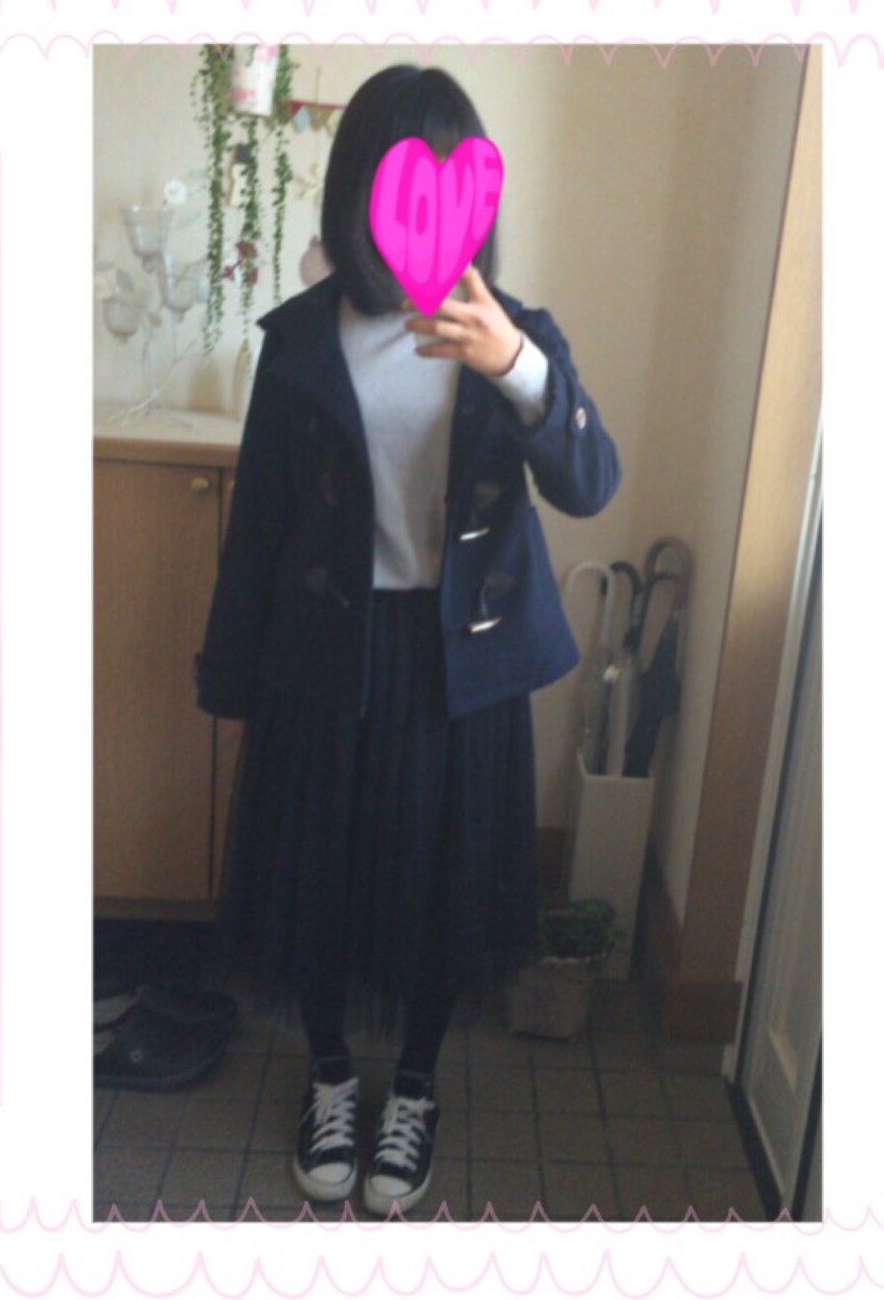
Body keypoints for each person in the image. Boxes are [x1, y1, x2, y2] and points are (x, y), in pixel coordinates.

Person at [195, 64, 621, 1218]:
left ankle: (417, 1084)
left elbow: (590, 480)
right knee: (320, 875)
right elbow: (259, 528)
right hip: (325, 652)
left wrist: (517, 369)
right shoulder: (299, 343)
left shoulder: (515, 335)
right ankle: (332, 1073)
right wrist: (229, 680)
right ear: (361, 194)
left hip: (460, 664)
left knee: (440, 880)